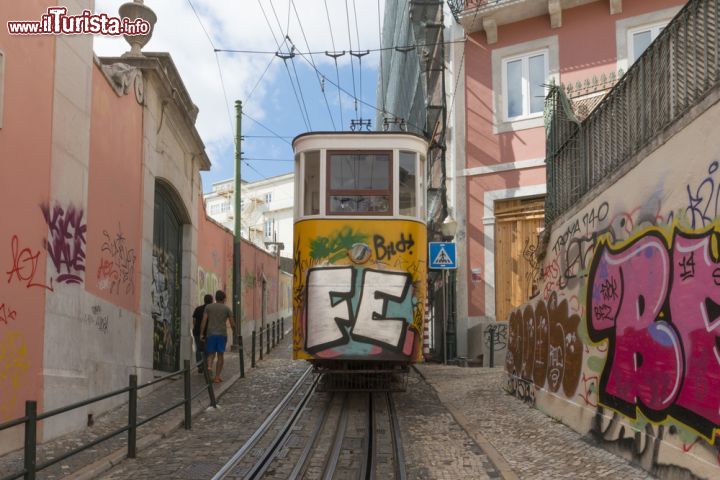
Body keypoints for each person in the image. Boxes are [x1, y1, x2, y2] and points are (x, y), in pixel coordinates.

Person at [200, 290, 236, 383]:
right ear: (224, 299)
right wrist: (235, 332)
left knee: (211, 354)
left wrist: (201, 334)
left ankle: (209, 367)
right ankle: (217, 377)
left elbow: (204, 321)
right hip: (221, 334)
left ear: (215, 298)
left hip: (210, 334)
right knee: (220, 355)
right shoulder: (227, 309)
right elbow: (232, 324)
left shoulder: (208, 307)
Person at [192, 294, 213, 373]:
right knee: (207, 349)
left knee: (199, 349)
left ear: (204, 300)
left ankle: (199, 366)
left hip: (197, 332)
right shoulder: (210, 310)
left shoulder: (198, 309)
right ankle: (206, 366)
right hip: (208, 333)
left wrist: (196, 328)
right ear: (211, 301)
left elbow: (194, 320)